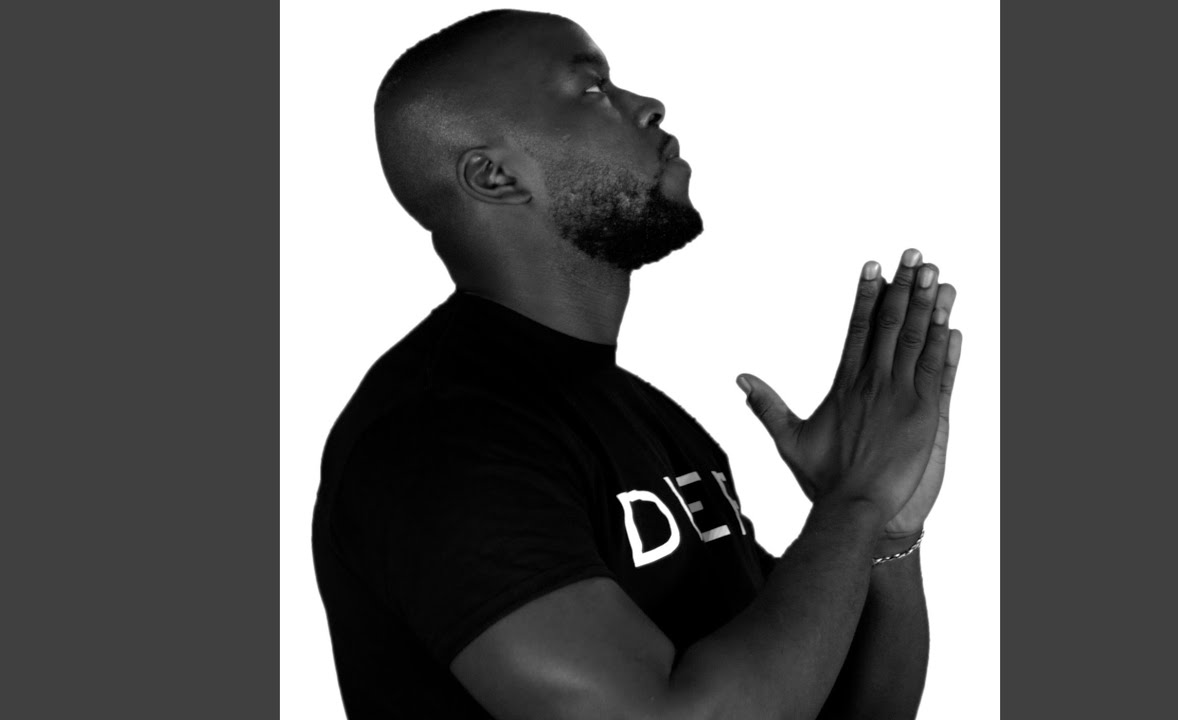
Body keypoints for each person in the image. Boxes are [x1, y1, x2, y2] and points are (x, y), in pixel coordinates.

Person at [312, 8, 963, 720]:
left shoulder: (651, 420)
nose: (649, 105)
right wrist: (854, 501)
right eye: (592, 89)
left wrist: (885, 532)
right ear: (495, 176)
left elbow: (831, 708)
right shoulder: (438, 438)